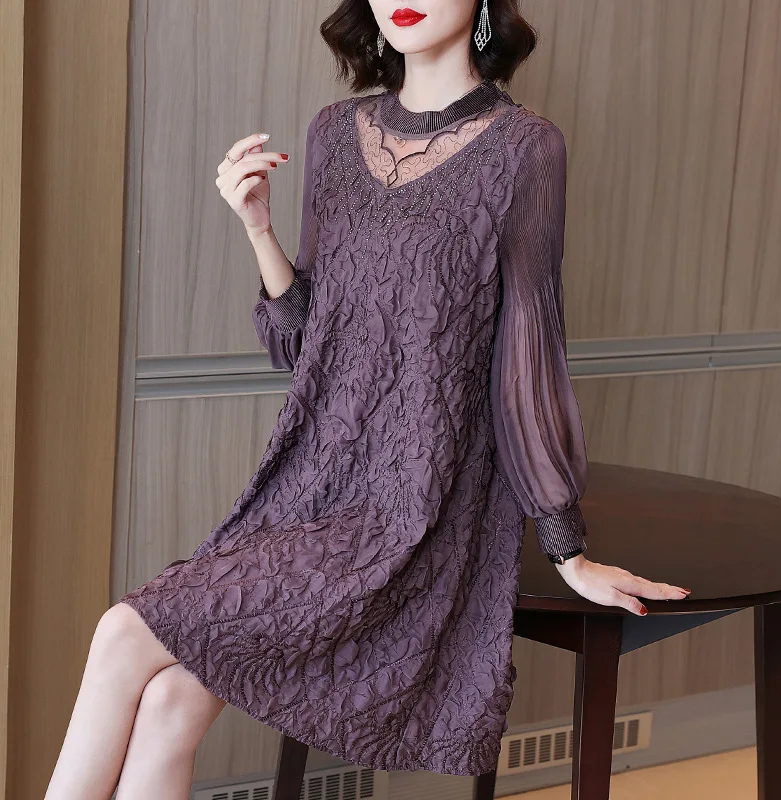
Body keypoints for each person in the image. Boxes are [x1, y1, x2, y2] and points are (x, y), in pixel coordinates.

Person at [45, 1, 691, 797]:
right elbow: (306, 344)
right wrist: (258, 228)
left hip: (414, 509)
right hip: (308, 490)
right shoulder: (332, 134)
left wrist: (567, 547)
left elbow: (527, 352)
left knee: (124, 634)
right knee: (169, 704)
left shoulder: (526, 149)